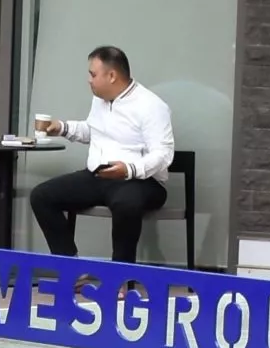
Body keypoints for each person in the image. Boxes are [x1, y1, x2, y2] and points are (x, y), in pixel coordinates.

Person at [29, 46, 176, 261]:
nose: (89, 80)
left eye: (93, 74)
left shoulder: (152, 106)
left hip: (142, 181)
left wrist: (129, 169)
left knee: (126, 203)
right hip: (100, 175)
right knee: (41, 196)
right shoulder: (100, 99)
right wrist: (62, 127)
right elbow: (94, 130)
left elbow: (163, 154)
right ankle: (71, 267)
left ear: (112, 75)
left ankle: (121, 277)